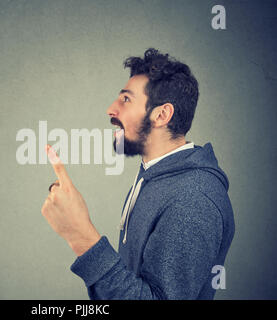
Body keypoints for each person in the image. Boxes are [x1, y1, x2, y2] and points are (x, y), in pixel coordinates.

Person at [41, 48, 235, 300]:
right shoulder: (154, 174)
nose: (111, 109)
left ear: (162, 115)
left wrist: (81, 236)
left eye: (126, 100)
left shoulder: (193, 200)